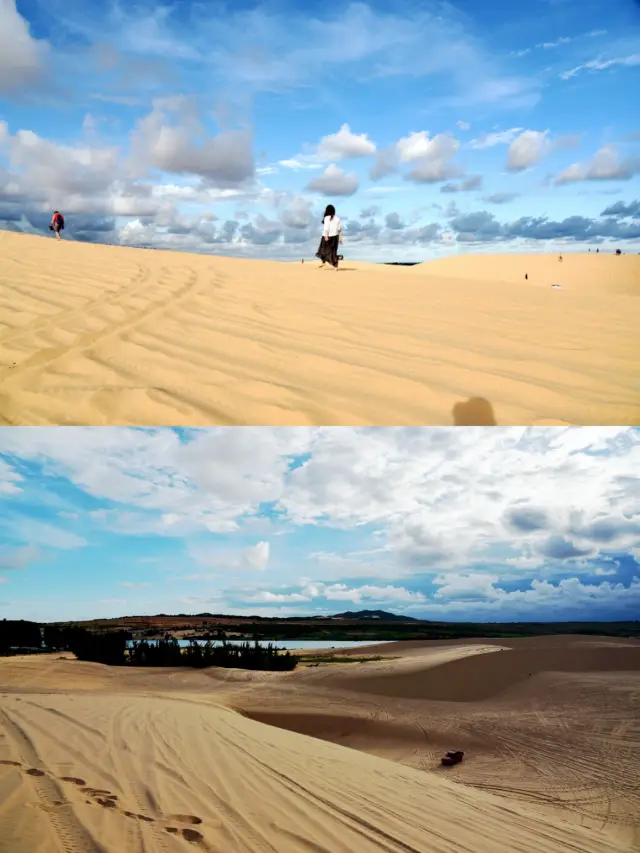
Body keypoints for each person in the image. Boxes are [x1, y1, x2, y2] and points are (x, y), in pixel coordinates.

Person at [315, 204, 343, 270]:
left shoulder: (326, 218)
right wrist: (341, 239)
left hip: (327, 236)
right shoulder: (337, 218)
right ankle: (334, 265)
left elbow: (326, 228)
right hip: (335, 237)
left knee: (323, 250)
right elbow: (340, 230)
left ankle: (325, 262)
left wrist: (326, 236)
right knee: (333, 252)